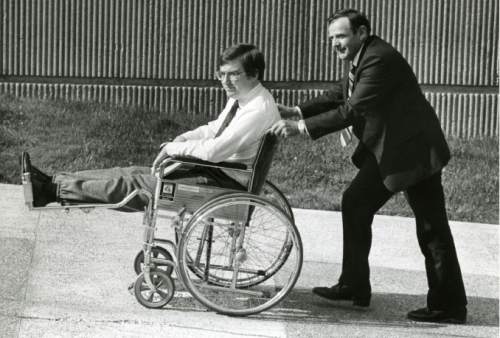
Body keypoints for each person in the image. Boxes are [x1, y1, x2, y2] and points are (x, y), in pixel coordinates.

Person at [270, 9, 467, 324]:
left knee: (432, 229)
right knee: (356, 203)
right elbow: (340, 94)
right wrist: (295, 110)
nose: (336, 43)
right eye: (332, 38)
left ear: (362, 32)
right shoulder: (363, 57)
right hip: (392, 150)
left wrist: (300, 128)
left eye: (341, 36)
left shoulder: (379, 59)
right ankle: (354, 285)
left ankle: (449, 305)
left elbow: (351, 109)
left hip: (415, 153)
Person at [23, 43, 280, 211]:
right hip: (216, 174)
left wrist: (173, 149)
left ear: (254, 74)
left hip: (225, 186)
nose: (225, 81)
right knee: (130, 171)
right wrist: (183, 138)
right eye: (221, 74)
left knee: (134, 185)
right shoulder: (246, 98)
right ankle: (53, 181)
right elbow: (214, 129)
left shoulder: (257, 109)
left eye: (233, 74)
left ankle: (53, 191)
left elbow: (216, 151)